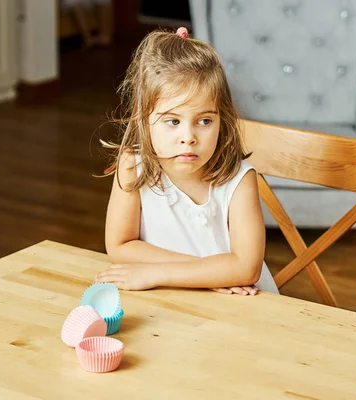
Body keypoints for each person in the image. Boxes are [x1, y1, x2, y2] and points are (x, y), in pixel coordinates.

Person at [95, 27, 279, 296]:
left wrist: (157, 273)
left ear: (221, 121)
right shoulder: (132, 165)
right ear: (144, 120)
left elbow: (247, 268)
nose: (188, 137)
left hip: (241, 305)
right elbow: (120, 246)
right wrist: (213, 275)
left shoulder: (239, 179)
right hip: (176, 301)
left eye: (204, 121)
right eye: (173, 121)